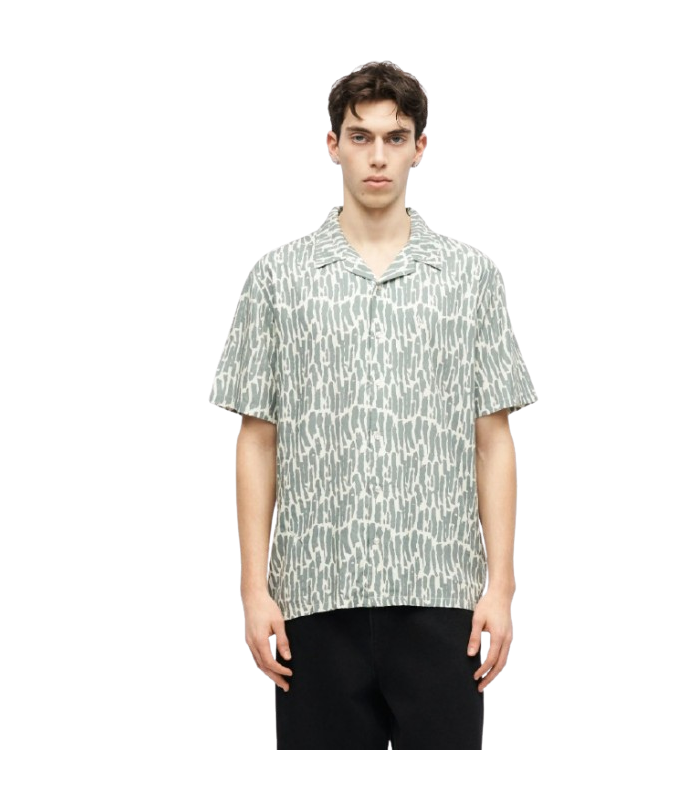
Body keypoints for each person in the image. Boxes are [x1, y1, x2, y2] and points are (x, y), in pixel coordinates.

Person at [207, 59, 539, 749]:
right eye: (361, 137)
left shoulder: (471, 275)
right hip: (313, 596)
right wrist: (254, 590)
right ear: (333, 145)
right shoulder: (277, 276)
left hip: (444, 595)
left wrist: (501, 587)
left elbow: (494, 440)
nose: (378, 156)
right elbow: (256, 440)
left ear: (421, 146)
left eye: (395, 138)